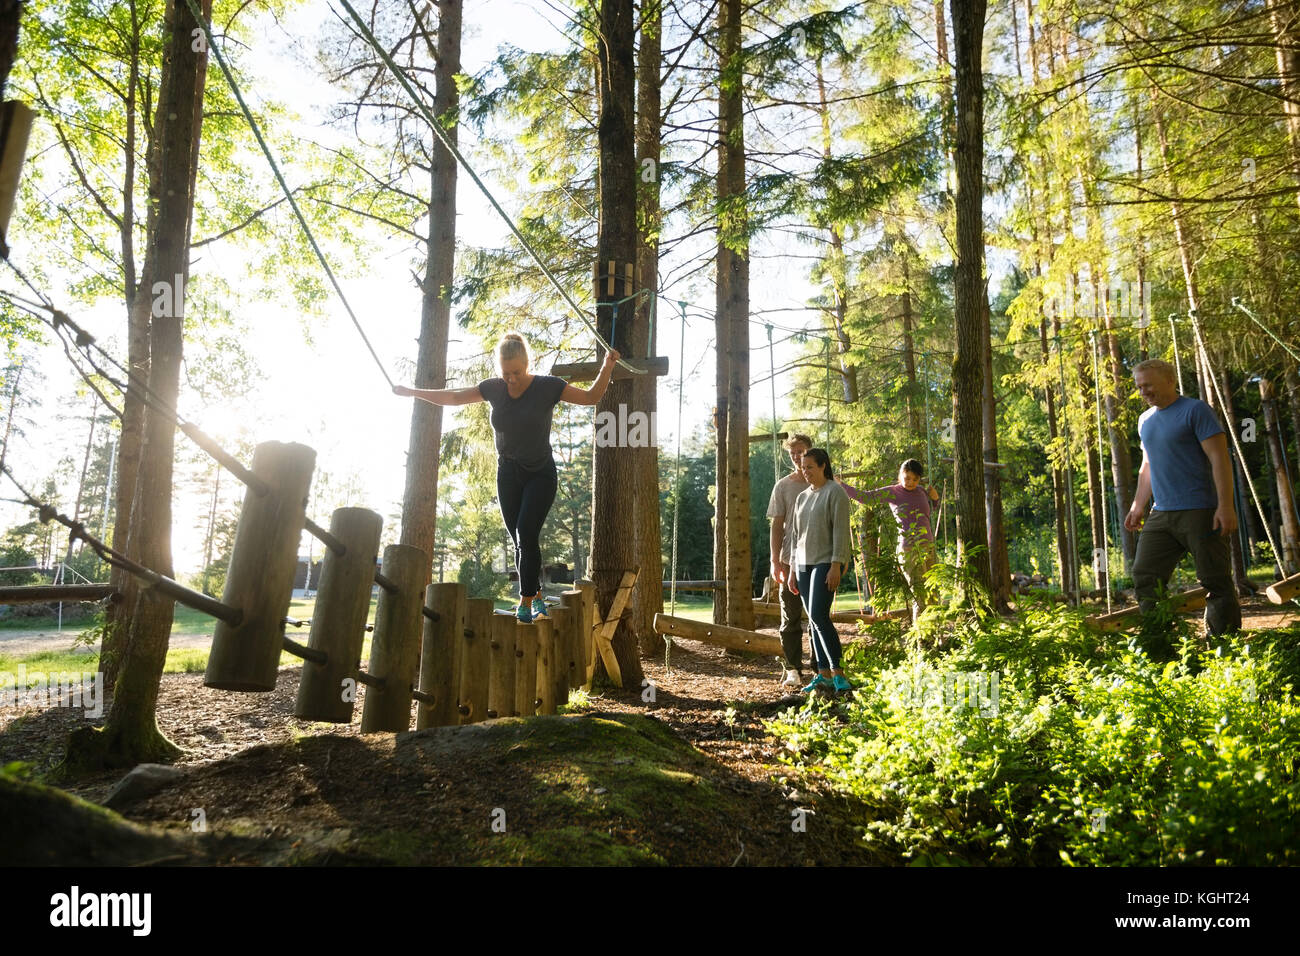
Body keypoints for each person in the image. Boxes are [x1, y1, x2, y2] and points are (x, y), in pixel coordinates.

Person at [394, 333, 619, 622]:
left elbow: (590, 398)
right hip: (508, 474)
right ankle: (537, 596)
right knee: (520, 542)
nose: (511, 379)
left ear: (528, 363)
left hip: (540, 474)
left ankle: (524, 600)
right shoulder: (495, 389)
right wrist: (413, 392)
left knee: (526, 531)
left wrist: (607, 366)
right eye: (505, 373)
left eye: (516, 372)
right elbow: (453, 397)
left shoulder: (547, 386)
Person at [1123, 358, 1241, 650]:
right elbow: (1147, 465)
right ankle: (1160, 649)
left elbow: (1219, 458)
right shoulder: (1145, 420)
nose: (1143, 392)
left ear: (1169, 380)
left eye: (1148, 384)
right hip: (1160, 513)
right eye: (1139, 387)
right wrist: (1138, 505)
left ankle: (1224, 649)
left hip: (1200, 510)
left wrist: (1225, 506)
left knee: (1215, 580)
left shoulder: (1195, 411)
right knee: (1145, 576)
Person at [784, 447, 853, 696]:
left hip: (825, 561)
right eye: (804, 468)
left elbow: (841, 532)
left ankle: (839, 673)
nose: (806, 471)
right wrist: (792, 570)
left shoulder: (835, 492)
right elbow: (795, 537)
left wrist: (837, 563)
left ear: (823, 465)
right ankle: (822, 674)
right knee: (813, 621)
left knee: (819, 616)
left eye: (810, 467)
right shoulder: (802, 497)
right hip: (802, 564)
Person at [840, 459, 940, 618]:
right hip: (909, 549)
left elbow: (928, 512)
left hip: (928, 547)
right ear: (900, 475)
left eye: (915, 479)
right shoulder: (893, 492)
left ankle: (936, 634)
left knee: (934, 593)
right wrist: (842, 485)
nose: (910, 482)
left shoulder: (921, 491)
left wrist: (935, 499)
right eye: (907, 478)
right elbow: (866, 497)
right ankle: (922, 640)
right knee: (920, 594)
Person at [767, 434, 814, 688]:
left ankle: (821, 667)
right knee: (790, 615)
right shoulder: (783, 486)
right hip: (787, 557)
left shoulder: (821, 482)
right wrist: (775, 560)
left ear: (810, 452)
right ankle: (793, 668)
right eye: (792, 453)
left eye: (801, 451)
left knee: (817, 615)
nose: (797, 456)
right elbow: (776, 525)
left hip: (817, 556)